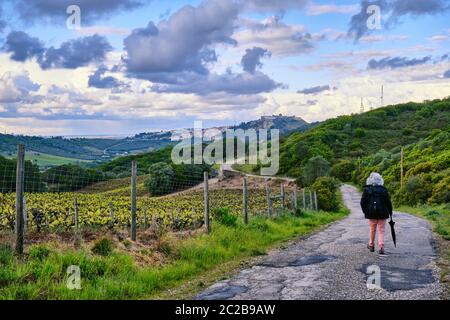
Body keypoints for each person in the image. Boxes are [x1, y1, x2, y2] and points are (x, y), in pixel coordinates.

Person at [360, 172, 393, 255]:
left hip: (371, 213)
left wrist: (365, 211)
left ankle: (371, 245)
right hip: (383, 213)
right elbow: (388, 203)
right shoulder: (384, 190)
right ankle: (381, 247)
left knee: (372, 229)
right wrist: (390, 212)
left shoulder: (367, 190)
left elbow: (362, 202)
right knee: (381, 230)